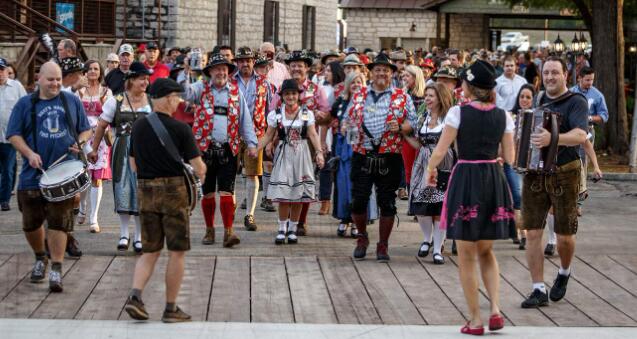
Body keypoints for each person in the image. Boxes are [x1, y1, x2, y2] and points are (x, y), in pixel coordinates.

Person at [427, 60, 514, 334]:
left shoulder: (457, 113)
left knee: (466, 253)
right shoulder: (504, 115)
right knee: (486, 250)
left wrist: (430, 170)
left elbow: (441, 151)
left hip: (466, 178)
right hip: (493, 178)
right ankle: (496, 310)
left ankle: (476, 320)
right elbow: (509, 157)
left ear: (469, 86)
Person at [124, 78, 206, 323]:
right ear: (169, 98)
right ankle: (171, 308)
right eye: (177, 97)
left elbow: (133, 163)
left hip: (145, 190)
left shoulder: (138, 126)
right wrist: (202, 172)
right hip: (173, 192)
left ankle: (135, 296)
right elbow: (198, 167)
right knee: (177, 252)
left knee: (149, 251)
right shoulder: (182, 129)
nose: (179, 102)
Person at [7, 61, 91, 292]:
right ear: (39, 80)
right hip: (32, 175)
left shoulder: (71, 100)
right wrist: (29, 153)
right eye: (50, 79)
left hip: (64, 173)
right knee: (30, 224)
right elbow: (13, 134)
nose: (55, 84)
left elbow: (86, 129)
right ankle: (39, 257)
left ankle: (56, 266)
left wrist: (80, 142)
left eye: (58, 80)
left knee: (59, 223)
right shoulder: (26, 103)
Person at [520, 56, 589, 309]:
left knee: (564, 237)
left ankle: (564, 270)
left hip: (565, 172)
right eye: (546, 72)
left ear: (565, 75)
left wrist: (553, 138)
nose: (550, 77)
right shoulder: (538, 99)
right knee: (533, 232)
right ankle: (538, 288)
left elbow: (581, 136)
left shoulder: (576, 102)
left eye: (555, 73)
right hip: (536, 172)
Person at [179, 53, 258, 247]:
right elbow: (184, 94)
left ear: (229, 72)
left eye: (225, 69)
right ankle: (209, 230)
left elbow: (245, 120)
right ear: (210, 71)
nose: (221, 72)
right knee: (207, 193)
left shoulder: (235, 92)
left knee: (227, 192)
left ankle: (228, 232)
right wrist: (186, 70)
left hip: (228, 148)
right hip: (205, 149)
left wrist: (252, 144)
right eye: (217, 68)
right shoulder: (201, 89)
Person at [344, 53, 417, 262]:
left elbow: (414, 122)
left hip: (389, 156)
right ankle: (362, 237)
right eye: (378, 69)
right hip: (362, 154)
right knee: (358, 200)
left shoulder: (402, 96)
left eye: (386, 70)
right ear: (371, 72)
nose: (382, 73)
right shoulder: (359, 94)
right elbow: (347, 119)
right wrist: (350, 129)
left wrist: (401, 127)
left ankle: (383, 244)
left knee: (388, 203)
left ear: (392, 73)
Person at [89, 61, 152, 253]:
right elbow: (101, 125)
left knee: (142, 192)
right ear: (131, 80)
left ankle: (139, 237)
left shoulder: (151, 101)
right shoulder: (115, 101)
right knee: (123, 189)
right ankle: (124, 234)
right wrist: (93, 149)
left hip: (145, 152)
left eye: (146, 78)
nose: (146, 82)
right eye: (142, 78)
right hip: (122, 149)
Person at [257, 79, 324, 244]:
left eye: (293, 93)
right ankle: (282, 227)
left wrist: (319, 153)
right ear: (282, 96)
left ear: (298, 96)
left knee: (298, 195)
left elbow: (313, 134)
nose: (290, 96)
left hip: (301, 154)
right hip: (284, 154)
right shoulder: (276, 114)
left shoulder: (306, 113)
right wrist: (255, 148)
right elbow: (268, 135)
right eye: (287, 94)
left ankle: (293, 228)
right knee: (284, 194)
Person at [272, 50, 330, 236]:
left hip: (308, 139)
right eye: (293, 65)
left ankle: (300, 222)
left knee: (304, 181)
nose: (297, 68)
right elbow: (273, 110)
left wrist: (321, 115)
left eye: (300, 65)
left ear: (307, 68)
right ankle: (285, 223)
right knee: (286, 181)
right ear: (289, 68)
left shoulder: (315, 88)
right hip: (285, 139)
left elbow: (326, 112)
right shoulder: (282, 88)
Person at [406, 83, 454, 264]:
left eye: (431, 96)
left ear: (440, 98)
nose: (427, 99)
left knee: (440, 206)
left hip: (443, 162)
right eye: (426, 95)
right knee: (420, 202)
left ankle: (437, 249)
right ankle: (427, 239)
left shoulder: (449, 119)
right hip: (423, 161)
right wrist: (406, 136)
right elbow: (419, 144)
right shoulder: (422, 118)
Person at [232, 47, 273, 232]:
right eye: (241, 61)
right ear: (236, 63)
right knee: (229, 173)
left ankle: (250, 213)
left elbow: (269, 111)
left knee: (253, 173)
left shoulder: (264, 83)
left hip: (255, 134)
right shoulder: (230, 82)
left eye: (248, 60)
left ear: (253, 62)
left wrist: (269, 138)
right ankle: (230, 206)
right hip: (232, 133)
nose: (245, 64)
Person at [77, 60, 113, 233]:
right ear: (84, 72)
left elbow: (111, 114)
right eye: (89, 68)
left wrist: (104, 103)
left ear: (100, 72)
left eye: (96, 69)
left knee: (96, 177)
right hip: (82, 137)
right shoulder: (78, 91)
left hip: (99, 138)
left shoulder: (107, 91)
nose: (92, 71)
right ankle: (82, 207)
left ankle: (94, 218)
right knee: (82, 176)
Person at [331, 72, 366, 237]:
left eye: (359, 81)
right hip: (344, 146)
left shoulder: (368, 101)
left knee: (357, 186)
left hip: (362, 147)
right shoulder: (342, 101)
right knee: (343, 184)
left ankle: (355, 221)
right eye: (353, 82)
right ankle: (344, 219)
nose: (356, 84)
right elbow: (332, 118)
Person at [570, 66, 608, 216]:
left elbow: (604, 116)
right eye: (587, 80)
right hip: (571, 130)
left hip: (587, 130)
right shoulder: (571, 92)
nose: (590, 83)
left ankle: (578, 203)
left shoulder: (597, 95)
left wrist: (590, 118)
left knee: (582, 166)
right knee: (571, 163)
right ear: (579, 78)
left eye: (592, 79)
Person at [508, 84, 536, 250]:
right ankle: (522, 233)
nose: (524, 100)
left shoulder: (538, 117)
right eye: (522, 97)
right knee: (517, 197)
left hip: (531, 164)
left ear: (533, 100)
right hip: (513, 162)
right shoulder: (510, 117)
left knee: (527, 199)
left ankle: (520, 229)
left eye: (528, 97)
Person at [317, 61, 346, 215]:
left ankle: (338, 203)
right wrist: (321, 141)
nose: (325, 73)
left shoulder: (341, 90)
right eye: (325, 70)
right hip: (326, 132)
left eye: (328, 70)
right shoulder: (323, 88)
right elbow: (324, 119)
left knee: (337, 170)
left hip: (337, 132)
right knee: (325, 169)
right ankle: (324, 201)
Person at [0, 57, 27, 211]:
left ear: (6, 71)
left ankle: (4, 199)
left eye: (2, 70)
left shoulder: (16, 86)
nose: (0, 73)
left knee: (8, 169)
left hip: (10, 137)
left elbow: (25, 107)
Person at [400, 65, 427, 201]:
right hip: (407, 138)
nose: (404, 78)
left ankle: (420, 200)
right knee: (409, 170)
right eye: (403, 76)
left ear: (416, 78)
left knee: (421, 169)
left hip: (422, 139)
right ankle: (412, 201)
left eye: (407, 76)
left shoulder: (424, 96)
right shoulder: (402, 95)